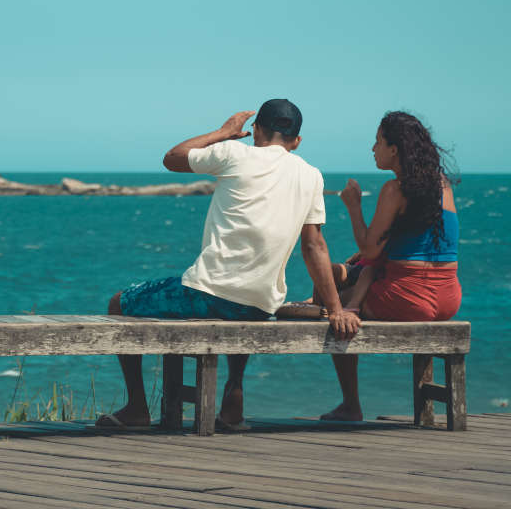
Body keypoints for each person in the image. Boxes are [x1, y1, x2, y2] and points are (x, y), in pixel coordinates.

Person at [97, 99, 361, 431]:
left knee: (119, 303)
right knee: (244, 299)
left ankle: (136, 408)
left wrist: (223, 133)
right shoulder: (310, 176)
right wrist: (336, 307)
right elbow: (314, 245)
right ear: (296, 141)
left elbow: (172, 158)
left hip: (207, 294)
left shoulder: (234, 153)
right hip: (262, 304)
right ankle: (233, 394)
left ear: (256, 131)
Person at [320, 111, 460, 421]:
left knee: (336, 304)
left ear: (394, 149)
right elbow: (417, 245)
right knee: (339, 274)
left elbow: (371, 246)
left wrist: (353, 206)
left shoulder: (394, 190)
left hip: (408, 297)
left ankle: (351, 405)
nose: (373, 148)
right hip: (448, 298)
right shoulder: (442, 186)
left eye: (378, 141)